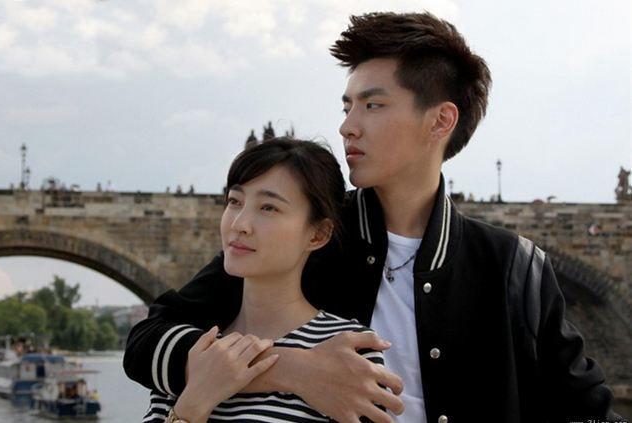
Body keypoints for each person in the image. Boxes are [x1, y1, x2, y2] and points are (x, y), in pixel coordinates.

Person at [125, 12, 620, 423]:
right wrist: (293, 369)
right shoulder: (310, 236)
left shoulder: (512, 266)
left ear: (441, 120)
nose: (347, 126)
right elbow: (147, 342)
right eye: (347, 106)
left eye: (373, 105)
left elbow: (589, 409)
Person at [143, 138, 386, 422]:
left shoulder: (347, 352)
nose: (239, 224)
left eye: (268, 207)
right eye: (234, 202)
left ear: (318, 234)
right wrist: (193, 405)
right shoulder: (189, 348)